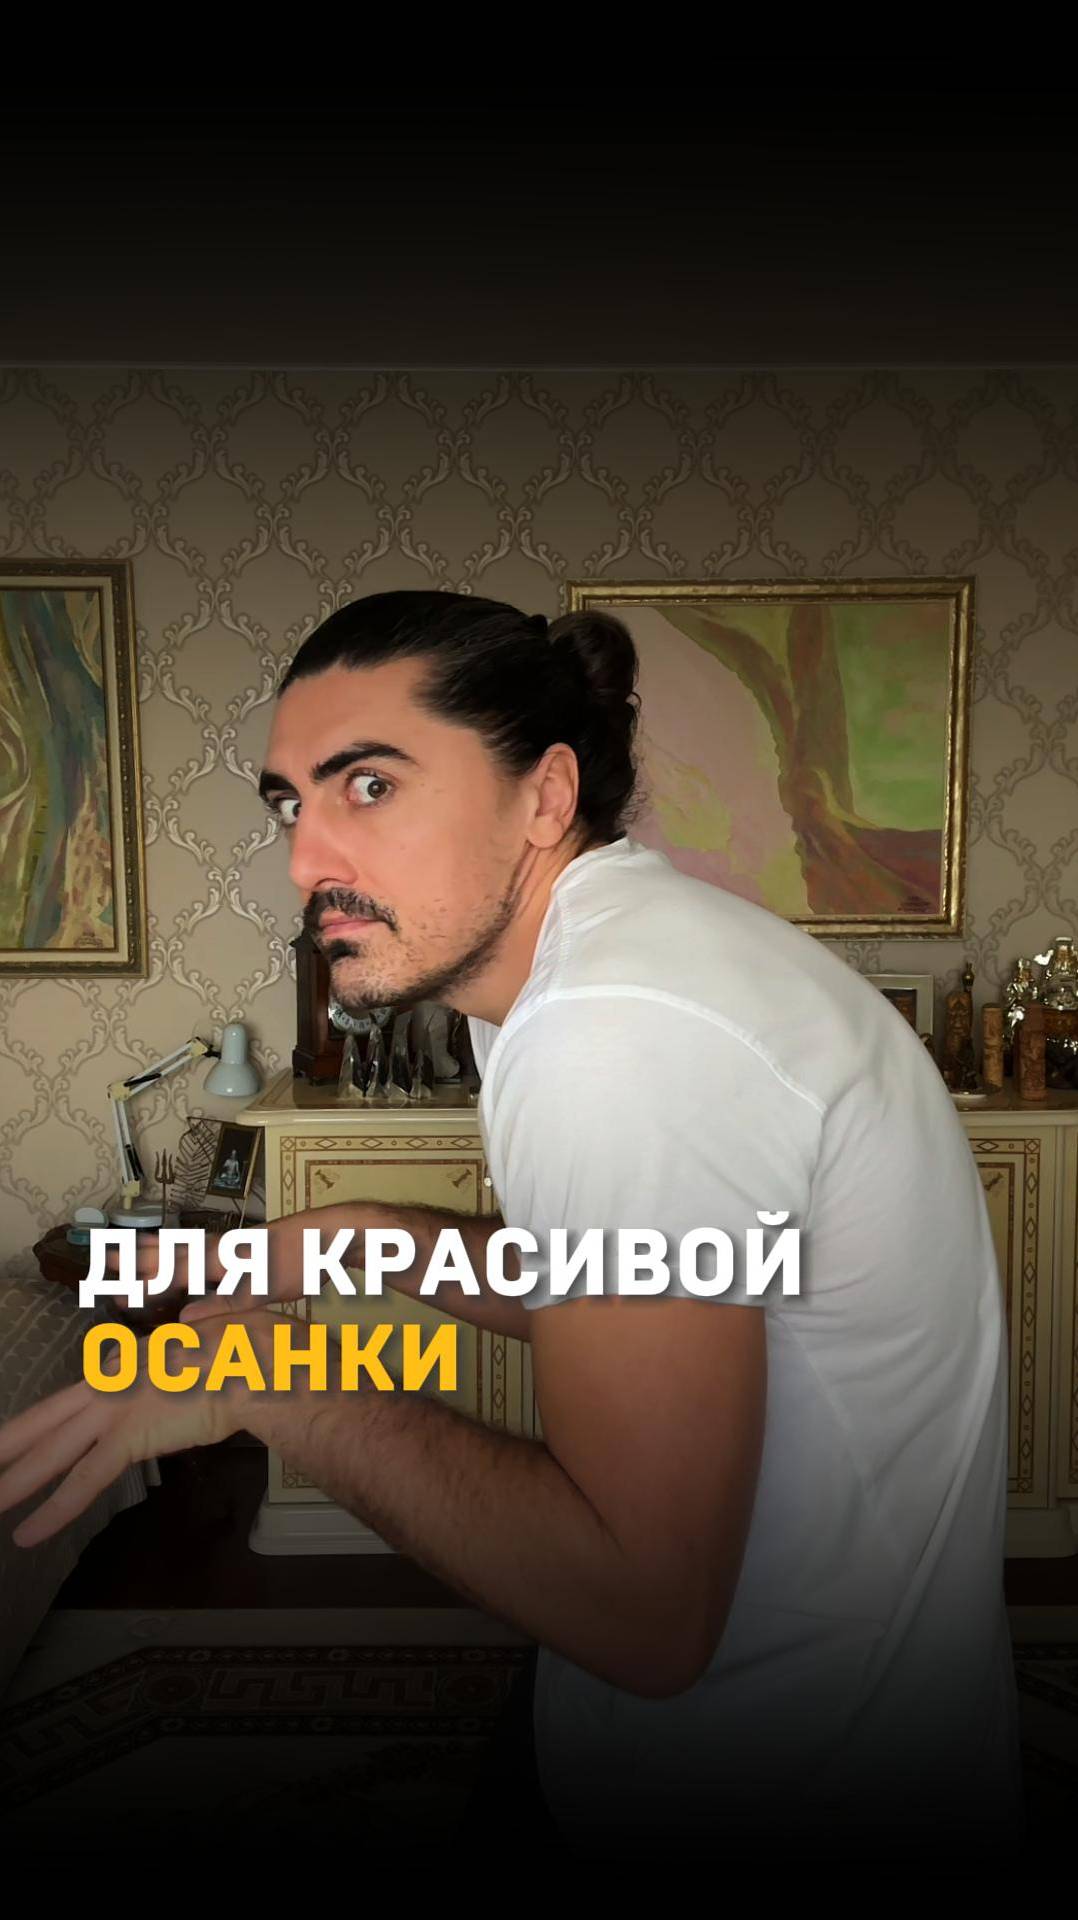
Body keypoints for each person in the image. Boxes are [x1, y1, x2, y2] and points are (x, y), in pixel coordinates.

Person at [0, 590, 1025, 1865]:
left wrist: (273, 1381)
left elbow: (641, 1613)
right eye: (289, 805)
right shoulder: (613, 965)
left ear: (545, 795)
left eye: (370, 786)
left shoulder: (617, 1027)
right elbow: (639, 1284)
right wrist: (346, 1234)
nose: (307, 861)